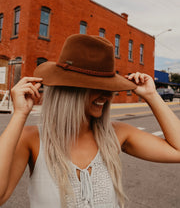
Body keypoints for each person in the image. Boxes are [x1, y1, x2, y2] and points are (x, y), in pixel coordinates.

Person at [0, 34, 180, 208]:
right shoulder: (32, 139)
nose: (109, 95)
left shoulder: (116, 133)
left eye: (109, 87)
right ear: (69, 90)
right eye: (98, 87)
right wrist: (20, 115)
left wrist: (152, 95)